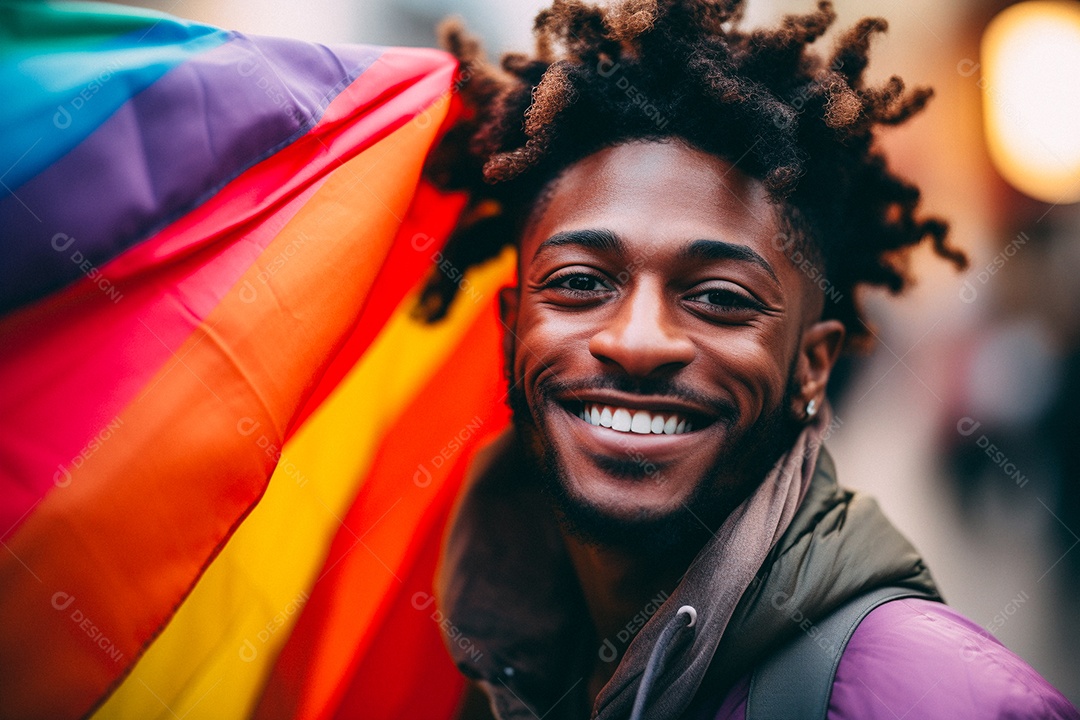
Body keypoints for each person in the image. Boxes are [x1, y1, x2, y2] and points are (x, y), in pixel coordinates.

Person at [418, 0, 1080, 717]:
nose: (638, 341)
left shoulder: (945, 698)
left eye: (720, 298)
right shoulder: (475, 667)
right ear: (512, 328)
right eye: (581, 283)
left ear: (813, 366)